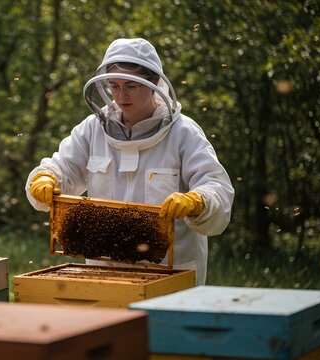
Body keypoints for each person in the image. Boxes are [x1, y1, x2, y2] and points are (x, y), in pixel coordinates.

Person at [25, 38, 234, 285]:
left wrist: (198, 201)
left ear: (154, 82)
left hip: (170, 273)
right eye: (114, 86)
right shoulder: (93, 129)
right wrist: (45, 177)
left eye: (131, 86)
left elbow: (216, 187)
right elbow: (62, 168)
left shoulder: (183, 133)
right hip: (103, 271)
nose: (121, 96)